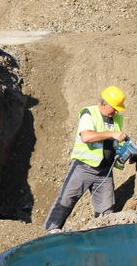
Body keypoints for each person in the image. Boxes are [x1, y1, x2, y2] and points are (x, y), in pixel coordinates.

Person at [43, 86, 131, 232]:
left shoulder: (117, 119)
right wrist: (111, 134)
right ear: (104, 104)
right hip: (83, 167)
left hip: (105, 171)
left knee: (106, 211)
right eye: (114, 108)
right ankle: (49, 232)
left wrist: (127, 153)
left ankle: (102, 238)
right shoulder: (89, 113)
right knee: (66, 200)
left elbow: (115, 142)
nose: (116, 111)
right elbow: (87, 137)